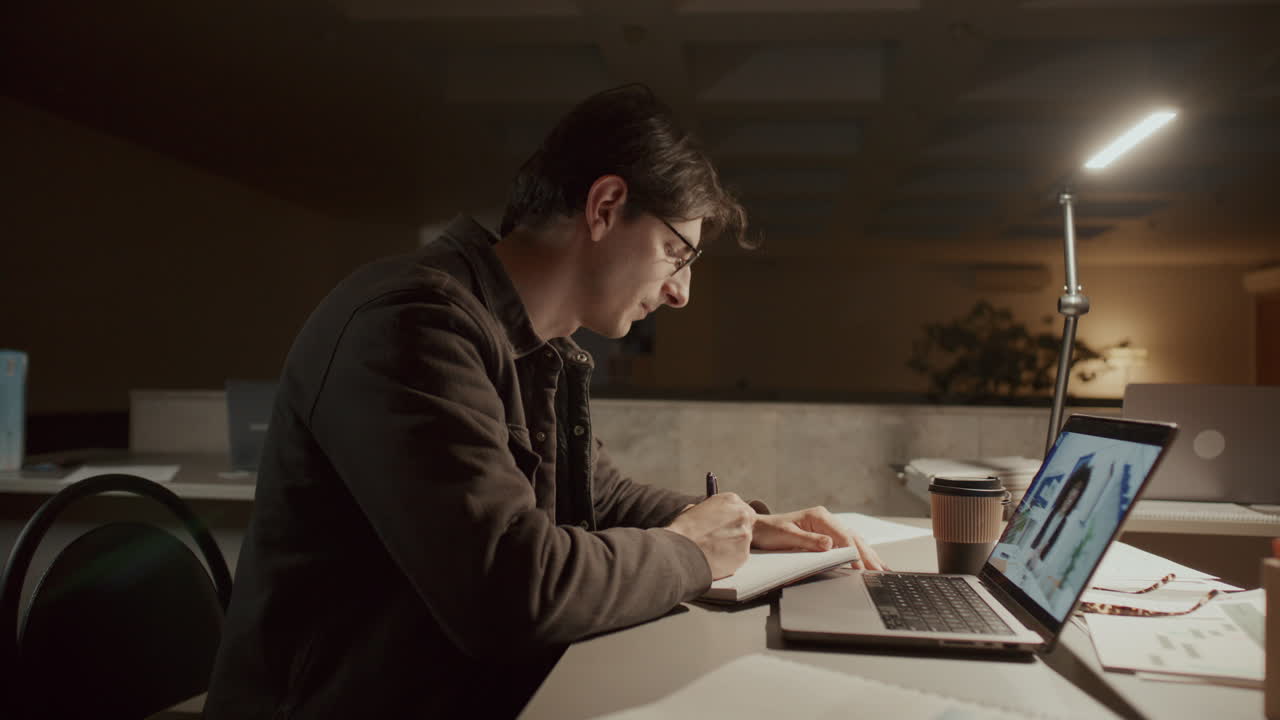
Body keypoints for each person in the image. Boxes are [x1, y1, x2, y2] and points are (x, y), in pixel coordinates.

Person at [205, 84, 885, 719]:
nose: (680, 293)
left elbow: (604, 497)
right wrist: (692, 552)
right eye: (678, 253)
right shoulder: (414, 323)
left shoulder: (528, 343)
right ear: (606, 207)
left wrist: (746, 523)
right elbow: (512, 592)